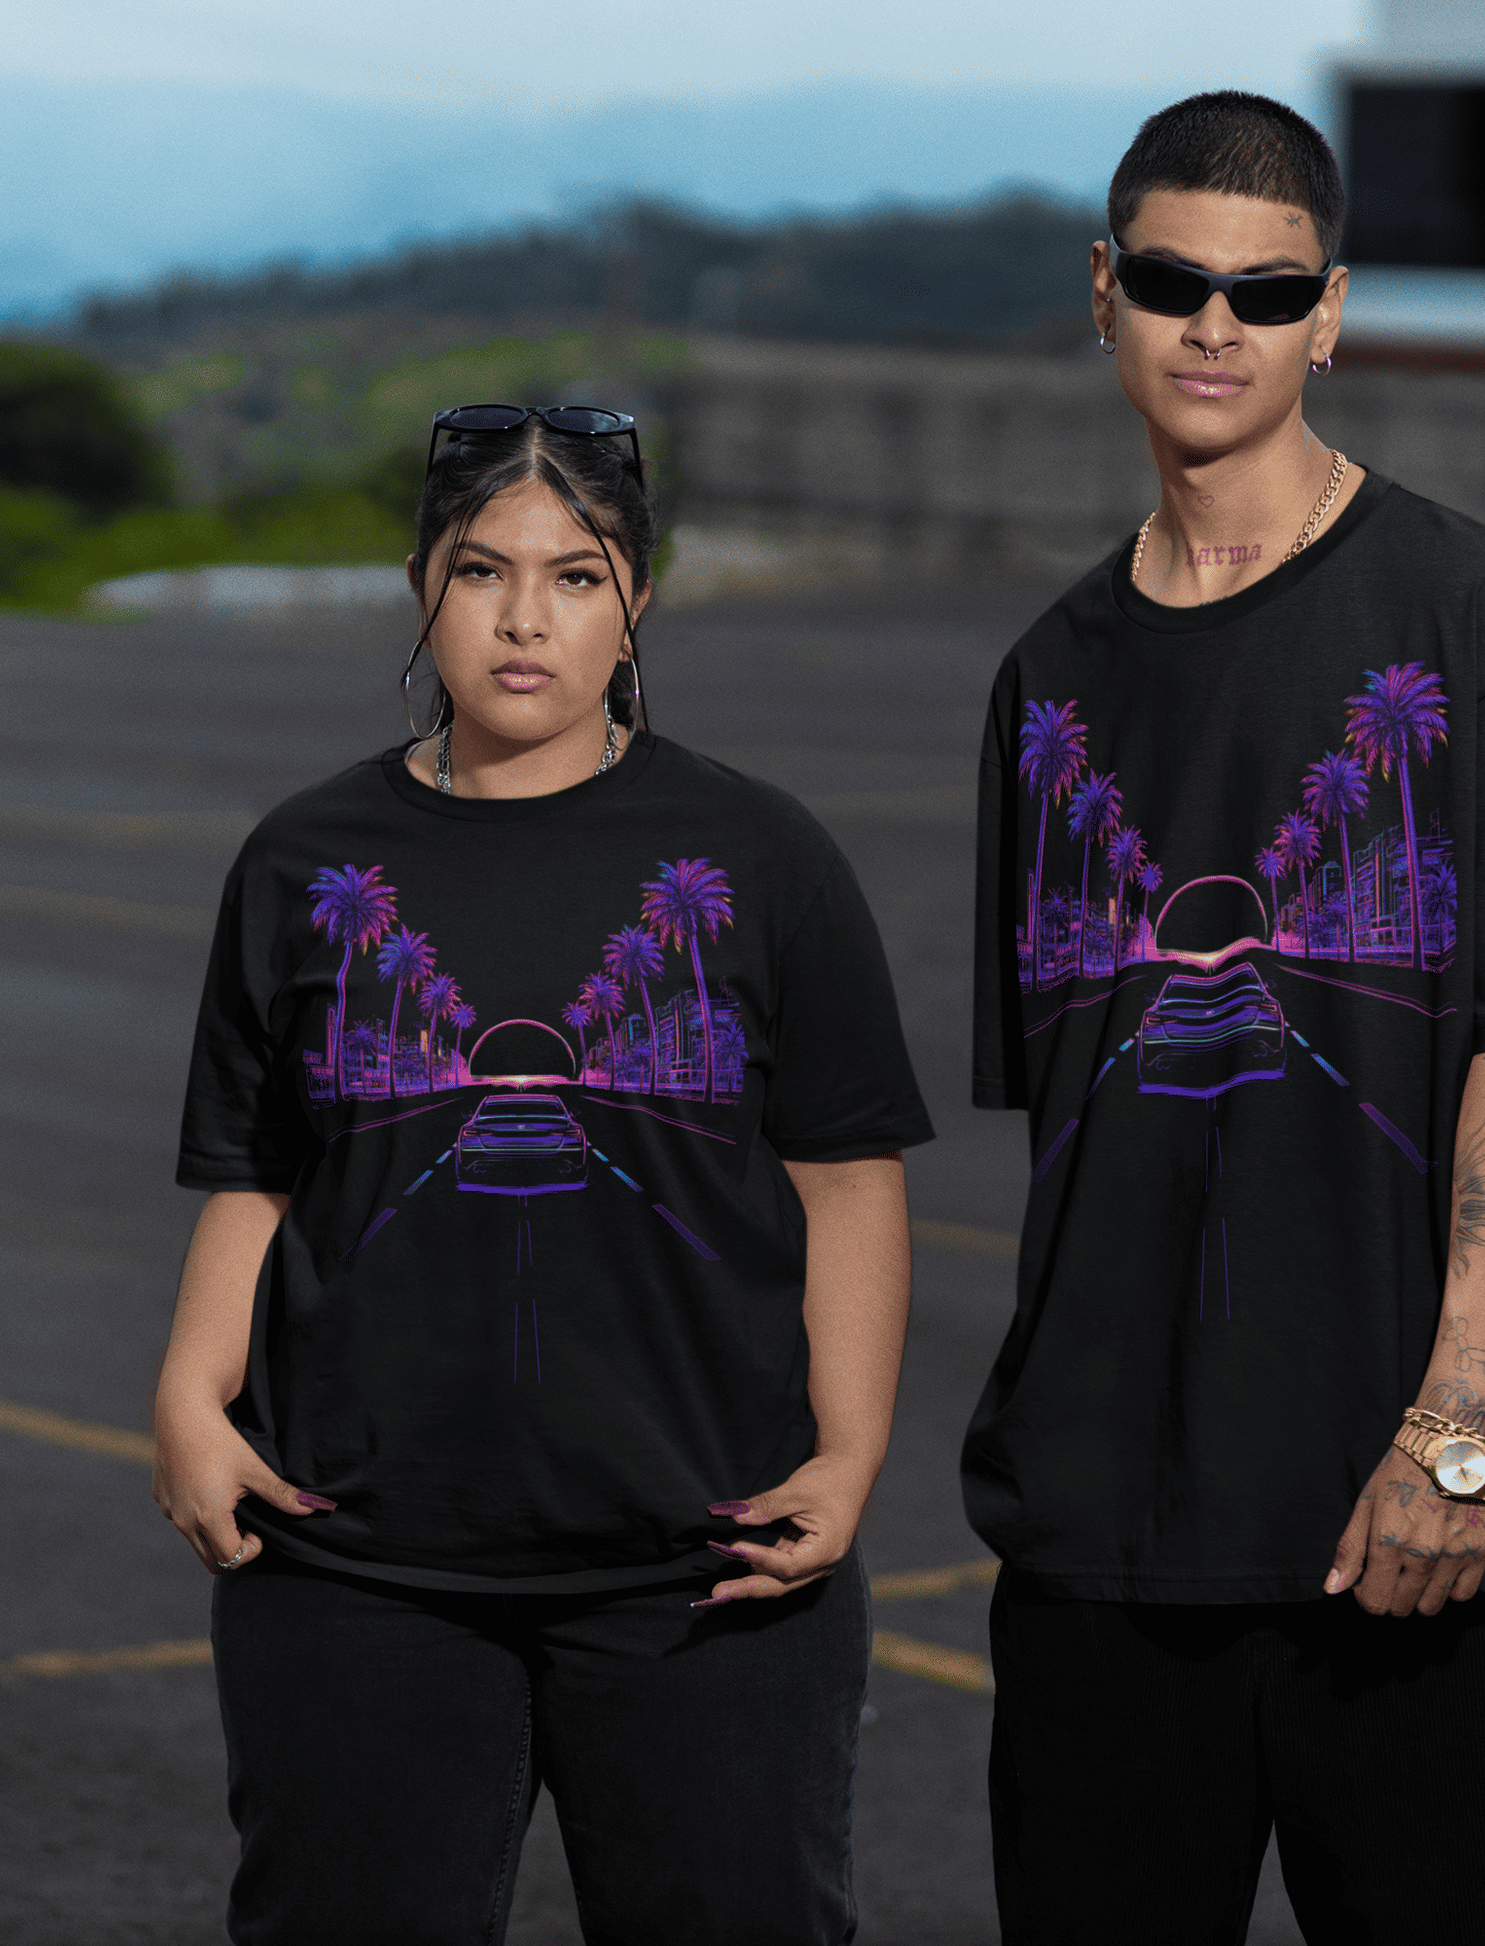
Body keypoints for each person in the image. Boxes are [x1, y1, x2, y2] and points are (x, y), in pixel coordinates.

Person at [968, 93, 1485, 1944]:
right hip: (1105, 1546)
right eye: (1177, 281)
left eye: (1264, 295)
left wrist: (1457, 1434)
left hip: (1414, 1545)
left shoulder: (1460, 606)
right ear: (1103, 291)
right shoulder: (1045, 678)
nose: (1217, 326)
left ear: (1328, 315)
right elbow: (1071, 1118)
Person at [153, 403, 932, 1945]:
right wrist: (188, 1393)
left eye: (575, 576)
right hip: (356, 1562)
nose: (524, 619)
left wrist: (846, 1456)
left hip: (705, 1567)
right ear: (417, 583)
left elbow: (847, 1175)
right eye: (480, 571)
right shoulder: (305, 859)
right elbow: (255, 1166)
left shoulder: (761, 856)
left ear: (637, 596)